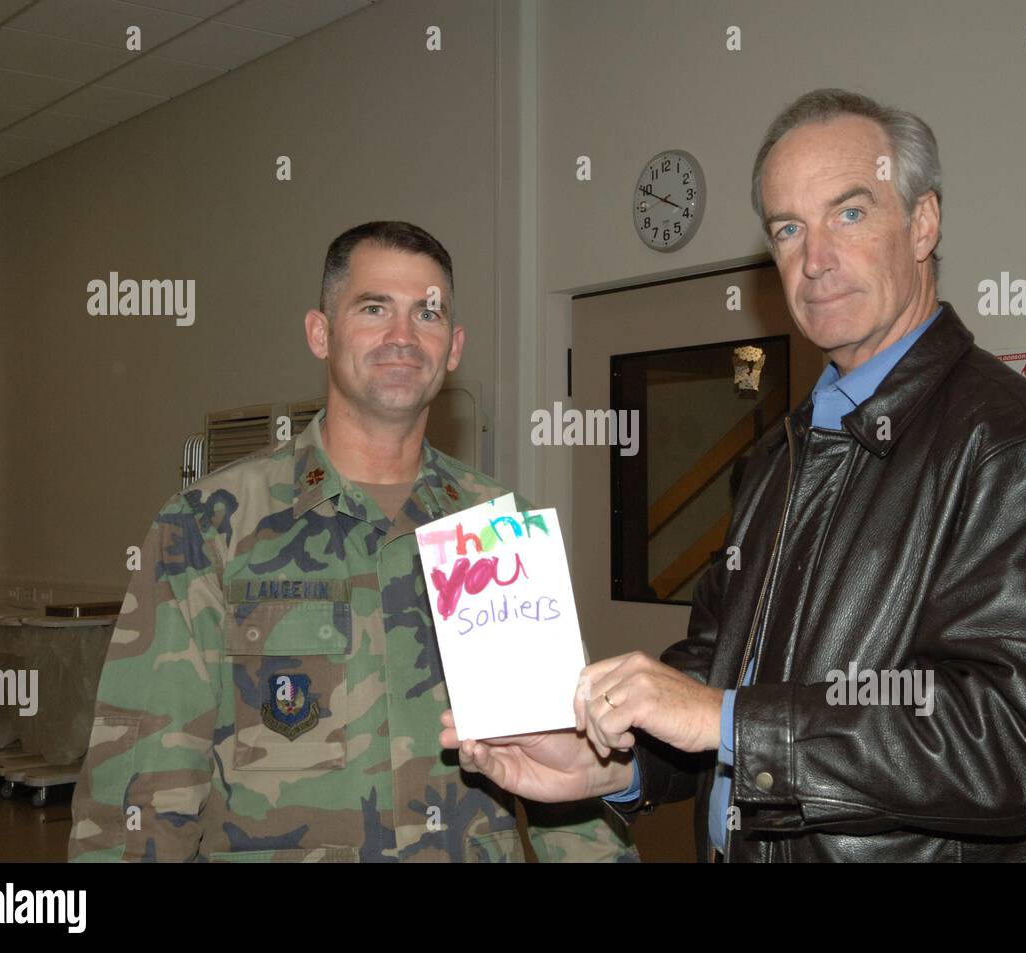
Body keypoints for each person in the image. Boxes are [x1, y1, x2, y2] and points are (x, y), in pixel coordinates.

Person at [443, 89, 1026, 863]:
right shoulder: (779, 457)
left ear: (924, 222)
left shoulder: (1014, 446)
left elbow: (1016, 738)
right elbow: (715, 672)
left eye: (851, 214)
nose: (816, 258)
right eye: (789, 229)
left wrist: (731, 720)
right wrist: (616, 762)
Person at [70, 221, 636, 862]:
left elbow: (571, 781)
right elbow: (144, 790)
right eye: (374, 309)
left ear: (452, 348)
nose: (402, 336)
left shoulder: (499, 530)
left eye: (426, 313)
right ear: (321, 333)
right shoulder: (208, 527)